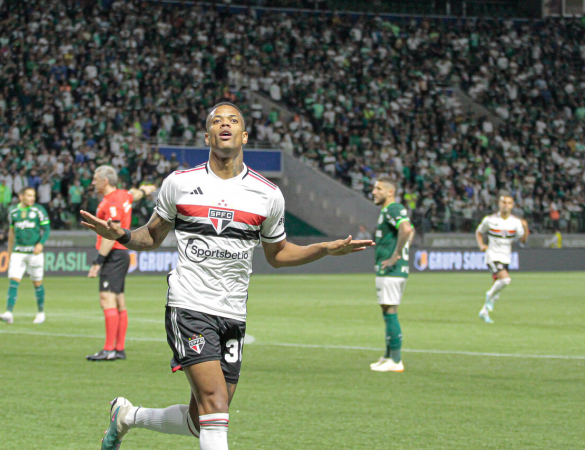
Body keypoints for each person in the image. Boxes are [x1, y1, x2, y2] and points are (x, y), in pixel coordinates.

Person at [80, 103, 373, 450]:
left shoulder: (268, 195)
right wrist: (124, 236)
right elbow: (153, 236)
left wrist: (322, 249)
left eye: (233, 120)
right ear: (207, 136)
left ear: (244, 135)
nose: (225, 125)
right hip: (189, 305)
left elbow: (277, 254)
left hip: (233, 312)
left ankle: (127, 416)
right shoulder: (179, 184)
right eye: (217, 121)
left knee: (199, 419)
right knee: (216, 406)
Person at [85, 166, 156, 361]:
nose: (93, 182)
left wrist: (98, 261)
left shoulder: (113, 201)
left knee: (106, 300)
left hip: (113, 254)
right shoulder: (123, 195)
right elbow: (135, 194)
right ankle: (119, 348)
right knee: (118, 301)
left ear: (104, 181)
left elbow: (112, 233)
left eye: (95, 178)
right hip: (122, 254)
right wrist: (146, 190)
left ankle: (109, 350)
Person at [369, 178, 414, 373]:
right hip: (390, 269)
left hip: (391, 269)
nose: (373, 191)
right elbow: (408, 231)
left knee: (390, 311)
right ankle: (388, 356)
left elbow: (407, 229)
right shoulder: (390, 211)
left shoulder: (392, 209)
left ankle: (395, 360)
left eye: (378, 188)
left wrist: (396, 255)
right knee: (387, 309)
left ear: (390, 192)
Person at [0, 187, 51, 324]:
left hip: (34, 252)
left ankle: (40, 312)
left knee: (37, 282)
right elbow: (11, 233)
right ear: (21, 197)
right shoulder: (13, 212)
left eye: (33, 196)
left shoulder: (38, 210)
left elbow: (47, 230)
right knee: (13, 282)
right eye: (29, 196)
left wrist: (41, 243)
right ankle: (9, 313)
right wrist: (9, 251)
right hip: (18, 252)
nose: (32, 198)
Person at [475, 192, 529, 323]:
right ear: (499, 204)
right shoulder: (490, 220)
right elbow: (479, 232)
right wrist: (481, 245)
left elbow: (522, 241)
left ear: (512, 205)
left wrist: (526, 228)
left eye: (509, 203)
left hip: (506, 257)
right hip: (493, 256)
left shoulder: (515, 222)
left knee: (498, 289)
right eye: (504, 202)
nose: (506, 205)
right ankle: (488, 296)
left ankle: (484, 312)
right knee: (505, 280)